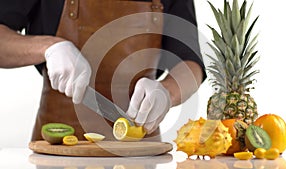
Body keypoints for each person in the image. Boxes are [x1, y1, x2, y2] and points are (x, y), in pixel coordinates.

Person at [0, 0, 206, 141]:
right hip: (59, 147)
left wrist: (167, 92)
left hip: (139, 152)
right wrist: (48, 47)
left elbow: (191, 62)